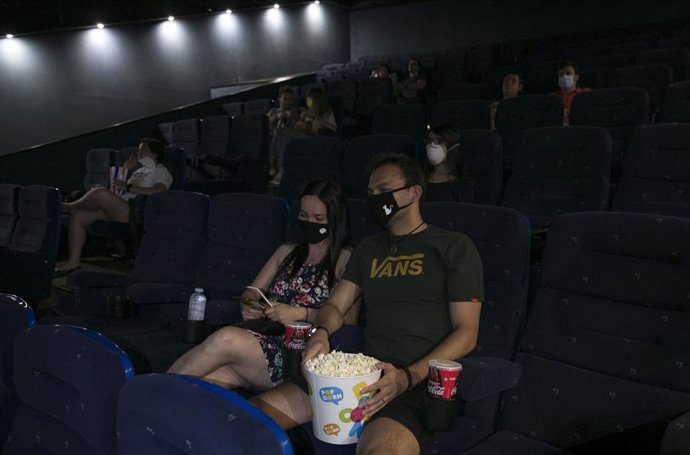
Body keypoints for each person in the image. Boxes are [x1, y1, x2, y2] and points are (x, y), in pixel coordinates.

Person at [251, 154, 484, 455]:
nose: (376, 199)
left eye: (384, 189)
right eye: (371, 193)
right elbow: (335, 306)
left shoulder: (452, 246)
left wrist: (408, 377)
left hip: (413, 382)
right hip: (357, 372)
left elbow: (467, 333)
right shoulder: (369, 249)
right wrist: (321, 333)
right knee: (250, 418)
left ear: (414, 192)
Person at [168, 178, 358, 390]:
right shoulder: (287, 252)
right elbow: (252, 292)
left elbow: (349, 319)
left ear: (334, 219)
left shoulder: (346, 259)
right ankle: (152, 406)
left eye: (318, 217)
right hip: (260, 337)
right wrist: (250, 306)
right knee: (202, 382)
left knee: (225, 338)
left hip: (296, 351)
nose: (310, 222)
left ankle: (148, 392)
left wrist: (299, 313)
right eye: (304, 216)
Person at [56, 138, 173, 274]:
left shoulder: (161, 171)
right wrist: (125, 170)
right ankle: (73, 262)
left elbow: (159, 191)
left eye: (144, 150)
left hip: (135, 211)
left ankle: (69, 207)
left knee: (99, 192)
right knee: (79, 216)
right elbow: (119, 189)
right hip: (120, 205)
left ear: (155, 154)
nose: (139, 153)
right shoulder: (140, 171)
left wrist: (127, 187)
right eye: (139, 150)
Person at [269, 87, 337, 187]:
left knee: (281, 131)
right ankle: (280, 172)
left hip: (315, 139)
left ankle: (272, 165)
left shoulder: (327, 112)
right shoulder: (306, 111)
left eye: (310, 98)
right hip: (303, 136)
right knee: (284, 137)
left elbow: (334, 128)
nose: (307, 101)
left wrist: (317, 118)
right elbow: (298, 128)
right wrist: (303, 118)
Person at [423, 124, 473, 203]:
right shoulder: (419, 179)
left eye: (439, 141)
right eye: (429, 140)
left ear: (453, 147)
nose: (432, 145)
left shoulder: (462, 184)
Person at [552, 60, 591, 125]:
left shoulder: (585, 93)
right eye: (561, 75)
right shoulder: (552, 97)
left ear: (576, 77)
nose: (564, 77)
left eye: (568, 73)